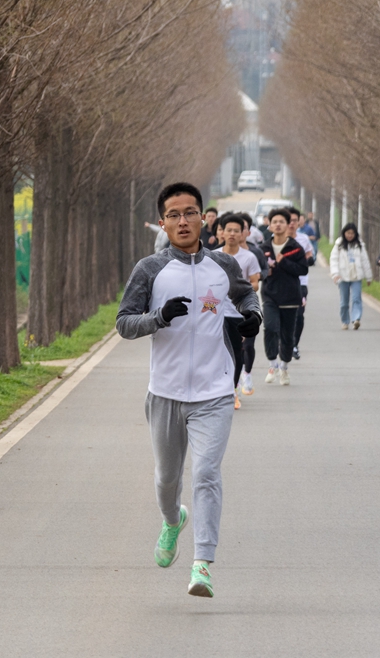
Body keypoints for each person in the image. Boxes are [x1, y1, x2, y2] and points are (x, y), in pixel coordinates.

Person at [116, 182, 262, 598]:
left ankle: (202, 564)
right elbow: (125, 323)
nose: (184, 220)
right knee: (167, 479)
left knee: (206, 473)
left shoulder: (223, 265)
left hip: (214, 391)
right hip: (164, 392)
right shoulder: (150, 269)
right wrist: (158, 317)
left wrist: (253, 316)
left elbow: (246, 295)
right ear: (163, 222)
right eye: (175, 214)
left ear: (204, 218)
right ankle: (171, 520)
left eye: (191, 212)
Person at [217, 215, 262, 406]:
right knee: (217, 353)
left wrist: (239, 289)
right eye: (229, 230)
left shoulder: (248, 257)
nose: (233, 234)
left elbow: (255, 283)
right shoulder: (213, 256)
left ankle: (233, 390)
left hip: (238, 314)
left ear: (243, 233)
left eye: (237, 230)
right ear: (222, 232)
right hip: (217, 314)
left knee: (236, 354)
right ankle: (220, 390)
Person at [261, 208, 307, 385]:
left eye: (282, 222)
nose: (278, 225)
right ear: (270, 225)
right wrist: (268, 271)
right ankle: (272, 364)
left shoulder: (295, 248)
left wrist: (284, 262)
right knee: (271, 328)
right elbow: (258, 271)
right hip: (270, 295)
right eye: (275, 222)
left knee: (288, 335)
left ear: (289, 225)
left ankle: (284, 368)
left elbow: (303, 269)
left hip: (290, 297)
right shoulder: (263, 248)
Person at [329, 222, 373, 330]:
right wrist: (335, 274)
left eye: (352, 233)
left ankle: (356, 319)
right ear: (344, 233)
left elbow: (365, 261)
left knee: (356, 298)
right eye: (348, 233)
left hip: (356, 276)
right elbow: (334, 260)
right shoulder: (338, 245)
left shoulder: (360, 245)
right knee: (344, 302)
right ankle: (345, 321)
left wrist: (368, 277)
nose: (350, 235)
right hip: (343, 277)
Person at [287, 207, 315, 359]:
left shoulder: (303, 239)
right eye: (289, 221)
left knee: (299, 316)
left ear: (299, 223)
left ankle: (294, 344)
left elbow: (310, 255)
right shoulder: (275, 239)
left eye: (295, 221)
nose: (292, 224)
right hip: (282, 283)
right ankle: (284, 342)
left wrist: (309, 259)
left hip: (301, 283)